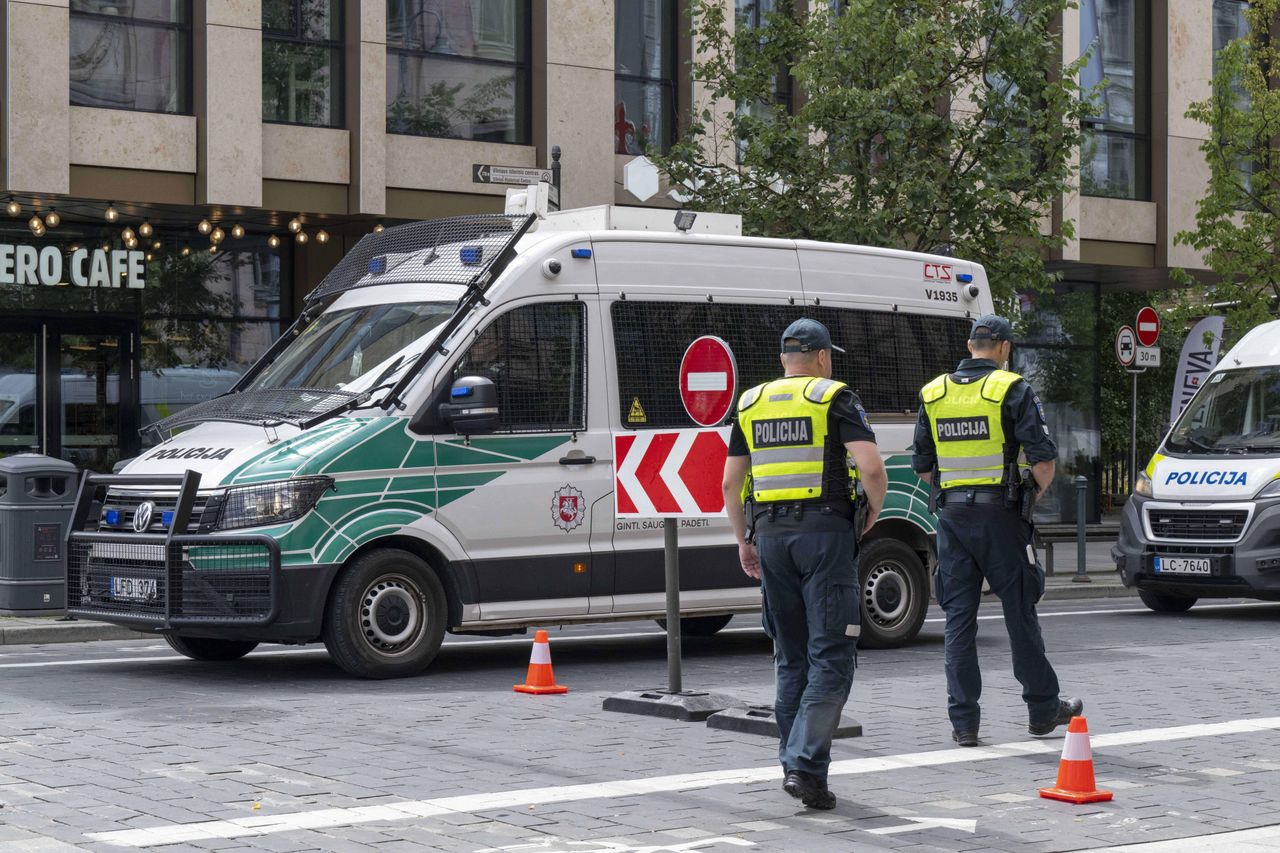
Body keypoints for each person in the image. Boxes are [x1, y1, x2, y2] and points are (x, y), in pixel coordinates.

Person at [722, 318, 887, 810]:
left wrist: (743, 541)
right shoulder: (833, 396)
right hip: (825, 535)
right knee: (833, 654)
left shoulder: (749, 403)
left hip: (770, 537)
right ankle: (805, 764)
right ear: (821, 357)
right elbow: (872, 466)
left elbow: (732, 483)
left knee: (790, 657)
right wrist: (873, 512)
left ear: (782, 360)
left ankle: (797, 768)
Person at [912, 314, 1082, 748]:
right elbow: (1043, 463)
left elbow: (924, 468)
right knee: (1020, 614)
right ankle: (1042, 710)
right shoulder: (1012, 388)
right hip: (1002, 519)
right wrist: (1029, 499)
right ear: (1004, 348)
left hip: (952, 519)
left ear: (971, 347)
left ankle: (964, 723)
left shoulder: (934, 394)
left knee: (959, 622)